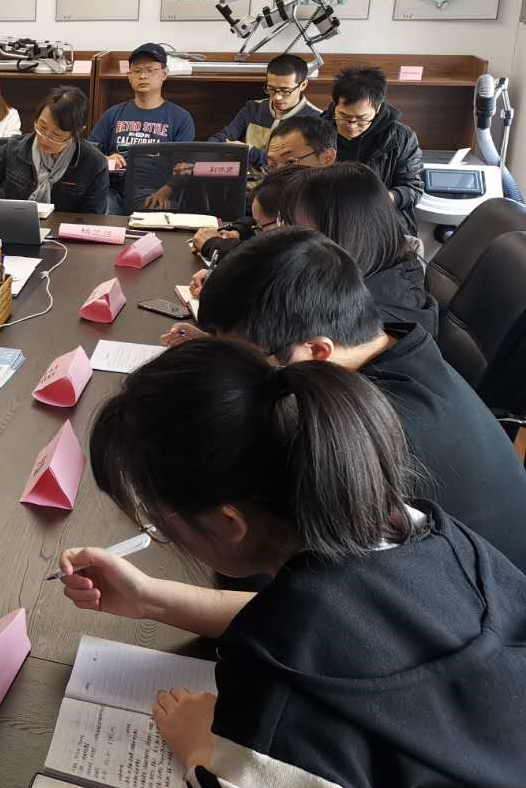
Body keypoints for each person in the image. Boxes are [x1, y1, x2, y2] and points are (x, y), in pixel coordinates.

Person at [61, 336, 526, 788]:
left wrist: (204, 753)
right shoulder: (426, 532)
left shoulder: (279, 712)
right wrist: (151, 599)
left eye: (159, 522)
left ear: (228, 521)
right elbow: (331, 630)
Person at [170, 226, 526, 570]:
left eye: (246, 360)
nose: (238, 371)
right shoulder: (389, 341)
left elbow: (323, 592)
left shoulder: (370, 434)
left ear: (316, 351)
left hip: (473, 597)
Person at [278, 162, 437, 334]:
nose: (287, 233)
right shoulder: (384, 269)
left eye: (293, 224)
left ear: (342, 229)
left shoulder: (361, 320)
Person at [189, 113, 337, 255]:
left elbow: (278, 261)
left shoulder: (336, 206)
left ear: (327, 158)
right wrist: (237, 232)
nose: (279, 173)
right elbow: (262, 221)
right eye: (272, 165)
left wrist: (216, 245)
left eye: (291, 162)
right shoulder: (292, 193)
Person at [0, 86, 108, 213]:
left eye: (56, 135)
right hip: (15, 227)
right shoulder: (15, 149)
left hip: (64, 236)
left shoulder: (94, 163)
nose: (44, 138)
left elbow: (93, 219)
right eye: (41, 128)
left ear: (78, 131)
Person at [88, 43, 195, 213]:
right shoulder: (113, 114)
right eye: (137, 71)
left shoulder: (180, 118)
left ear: (164, 74)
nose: (143, 76)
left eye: (150, 70)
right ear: (129, 76)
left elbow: (185, 167)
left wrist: (165, 192)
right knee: (97, 208)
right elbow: (89, 152)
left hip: (155, 191)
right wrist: (106, 158)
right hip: (114, 190)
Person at [325, 65, 424, 234]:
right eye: (344, 116)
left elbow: (413, 188)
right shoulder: (318, 130)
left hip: (381, 222)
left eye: (361, 118)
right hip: (330, 219)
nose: (352, 125)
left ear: (377, 109)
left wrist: (385, 198)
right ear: (335, 105)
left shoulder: (400, 137)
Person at [204, 52, 321, 169]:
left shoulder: (316, 120)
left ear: (303, 85)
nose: (277, 97)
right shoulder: (253, 109)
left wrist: (250, 152)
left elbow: (294, 165)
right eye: (271, 89)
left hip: (287, 180)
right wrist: (206, 150)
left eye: (285, 91)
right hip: (248, 178)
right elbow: (223, 138)